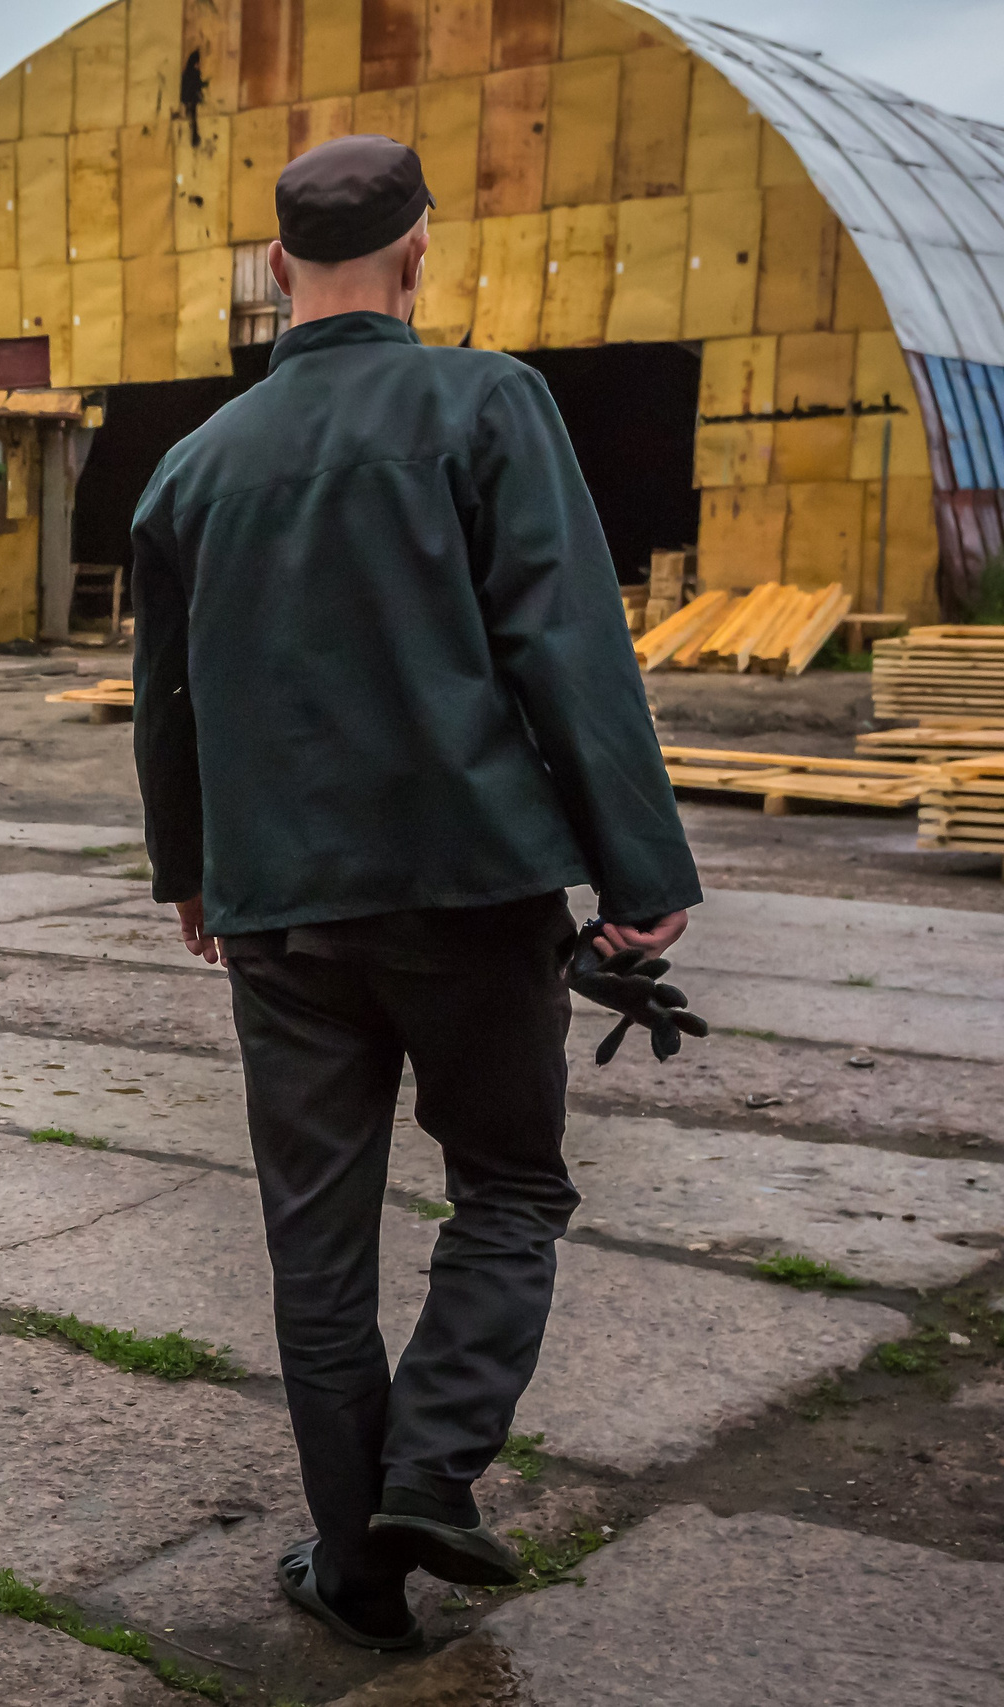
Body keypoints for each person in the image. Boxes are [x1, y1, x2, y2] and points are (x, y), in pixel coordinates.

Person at [127, 134, 701, 1649]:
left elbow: (169, 704)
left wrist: (189, 874)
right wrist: (639, 870)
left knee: (315, 1249)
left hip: (281, 918)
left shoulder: (194, 468)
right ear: (421, 250)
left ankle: (357, 1567)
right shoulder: (488, 402)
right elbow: (566, 644)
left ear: (273, 270)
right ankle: (430, 1474)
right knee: (508, 1186)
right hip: (471, 893)